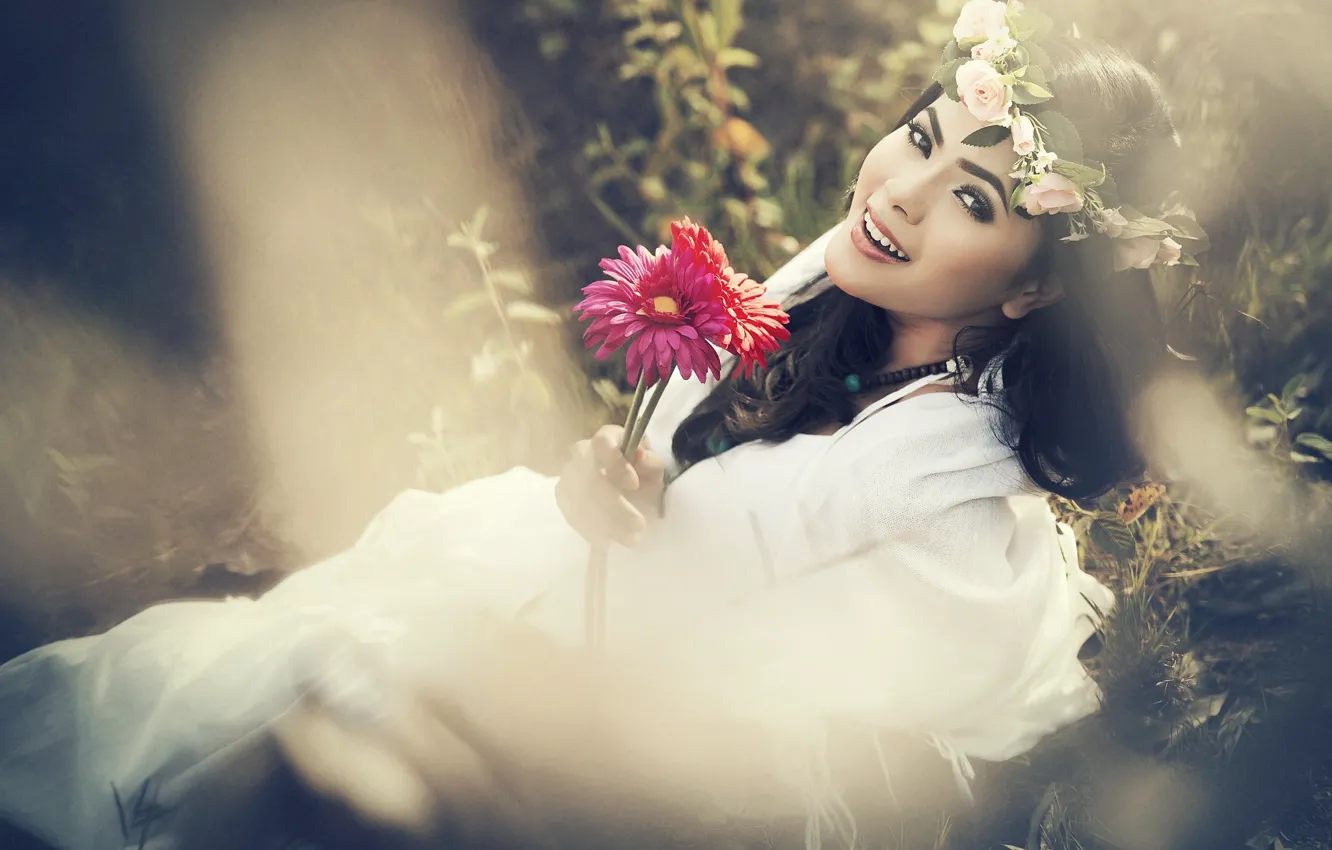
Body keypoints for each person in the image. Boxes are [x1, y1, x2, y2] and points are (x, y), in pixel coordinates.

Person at [0, 7, 1207, 849]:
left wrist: (599, 618)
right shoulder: (833, 296)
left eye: (975, 200)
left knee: (340, 710)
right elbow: (694, 469)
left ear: (1037, 285)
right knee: (224, 674)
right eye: (926, 136)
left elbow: (787, 700)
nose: (901, 188)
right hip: (597, 616)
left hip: (677, 721)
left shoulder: (952, 513)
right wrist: (614, 489)